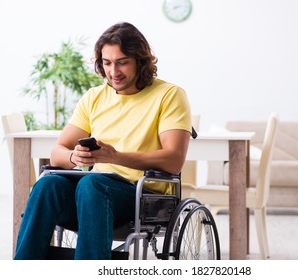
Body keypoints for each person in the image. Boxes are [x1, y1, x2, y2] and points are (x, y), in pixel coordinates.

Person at [14, 22, 192, 260]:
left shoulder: (169, 95)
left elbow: (173, 161)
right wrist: (73, 156)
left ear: (141, 61)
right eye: (107, 63)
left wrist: (115, 156)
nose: (113, 72)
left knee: (93, 184)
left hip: (142, 197)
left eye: (122, 62)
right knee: (47, 185)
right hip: (92, 196)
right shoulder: (94, 97)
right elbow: (57, 151)